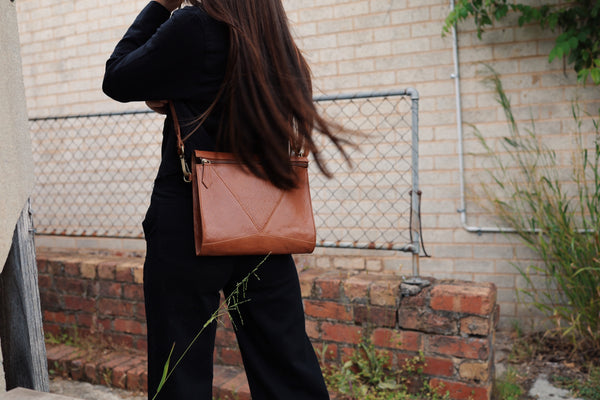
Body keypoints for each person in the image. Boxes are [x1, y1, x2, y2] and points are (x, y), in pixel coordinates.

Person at [103, 0, 346, 399]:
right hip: (264, 215)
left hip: (190, 216)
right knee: (286, 363)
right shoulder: (272, 36)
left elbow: (117, 77)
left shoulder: (193, 26)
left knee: (179, 368)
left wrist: (161, 6)